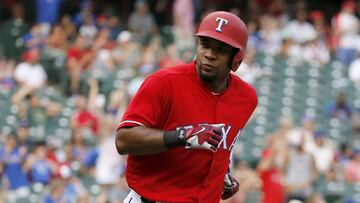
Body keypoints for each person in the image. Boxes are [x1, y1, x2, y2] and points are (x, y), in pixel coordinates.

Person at [115, 11, 258, 203]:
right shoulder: (163, 82)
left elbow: (219, 148)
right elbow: (124, 140)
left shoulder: (246, 98)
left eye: (220, 49)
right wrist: (183, 135)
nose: (209, 54)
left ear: (236, 59)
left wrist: (221, 175)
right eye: (205, 45)